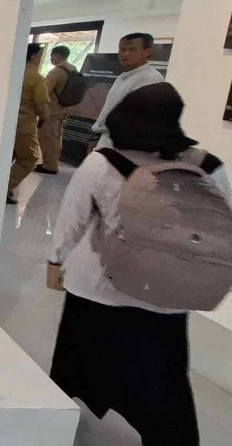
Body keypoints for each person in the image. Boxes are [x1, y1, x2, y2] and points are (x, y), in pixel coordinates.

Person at [48, 82, 230, 446]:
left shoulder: (103, 162)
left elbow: (74, 218)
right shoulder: (208, 165)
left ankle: (56, 416)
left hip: (97, 288)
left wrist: (56, 260)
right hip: (166, 296)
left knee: (78, 361)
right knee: (163, 379)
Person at [91, 32, 164, 149]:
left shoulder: (150, 78)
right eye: (122, 49)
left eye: (132, 49)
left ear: (148, 51)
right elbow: (109, 109)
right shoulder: (122, 77)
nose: (125, 54)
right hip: (107, 138)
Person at [7, 44, 51, 204]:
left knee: (6, 157)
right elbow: (41, 106)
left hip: (6, 124)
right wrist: (44, 119)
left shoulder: (12, 72)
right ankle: (4, 187)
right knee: (29, 158)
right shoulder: (36, 78)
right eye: (40, 54)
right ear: (33, 56)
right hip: (24, 125)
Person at [36, 45, 77, 175]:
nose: (51, 58)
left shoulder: (56, 71)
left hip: (51, 111)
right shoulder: (72, 68)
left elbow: (44, 91)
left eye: (51, 55)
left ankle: (50, 165)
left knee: (48, 138)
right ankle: (53, 161)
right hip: (63, 109)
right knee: (56, 137)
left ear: (57, 55)